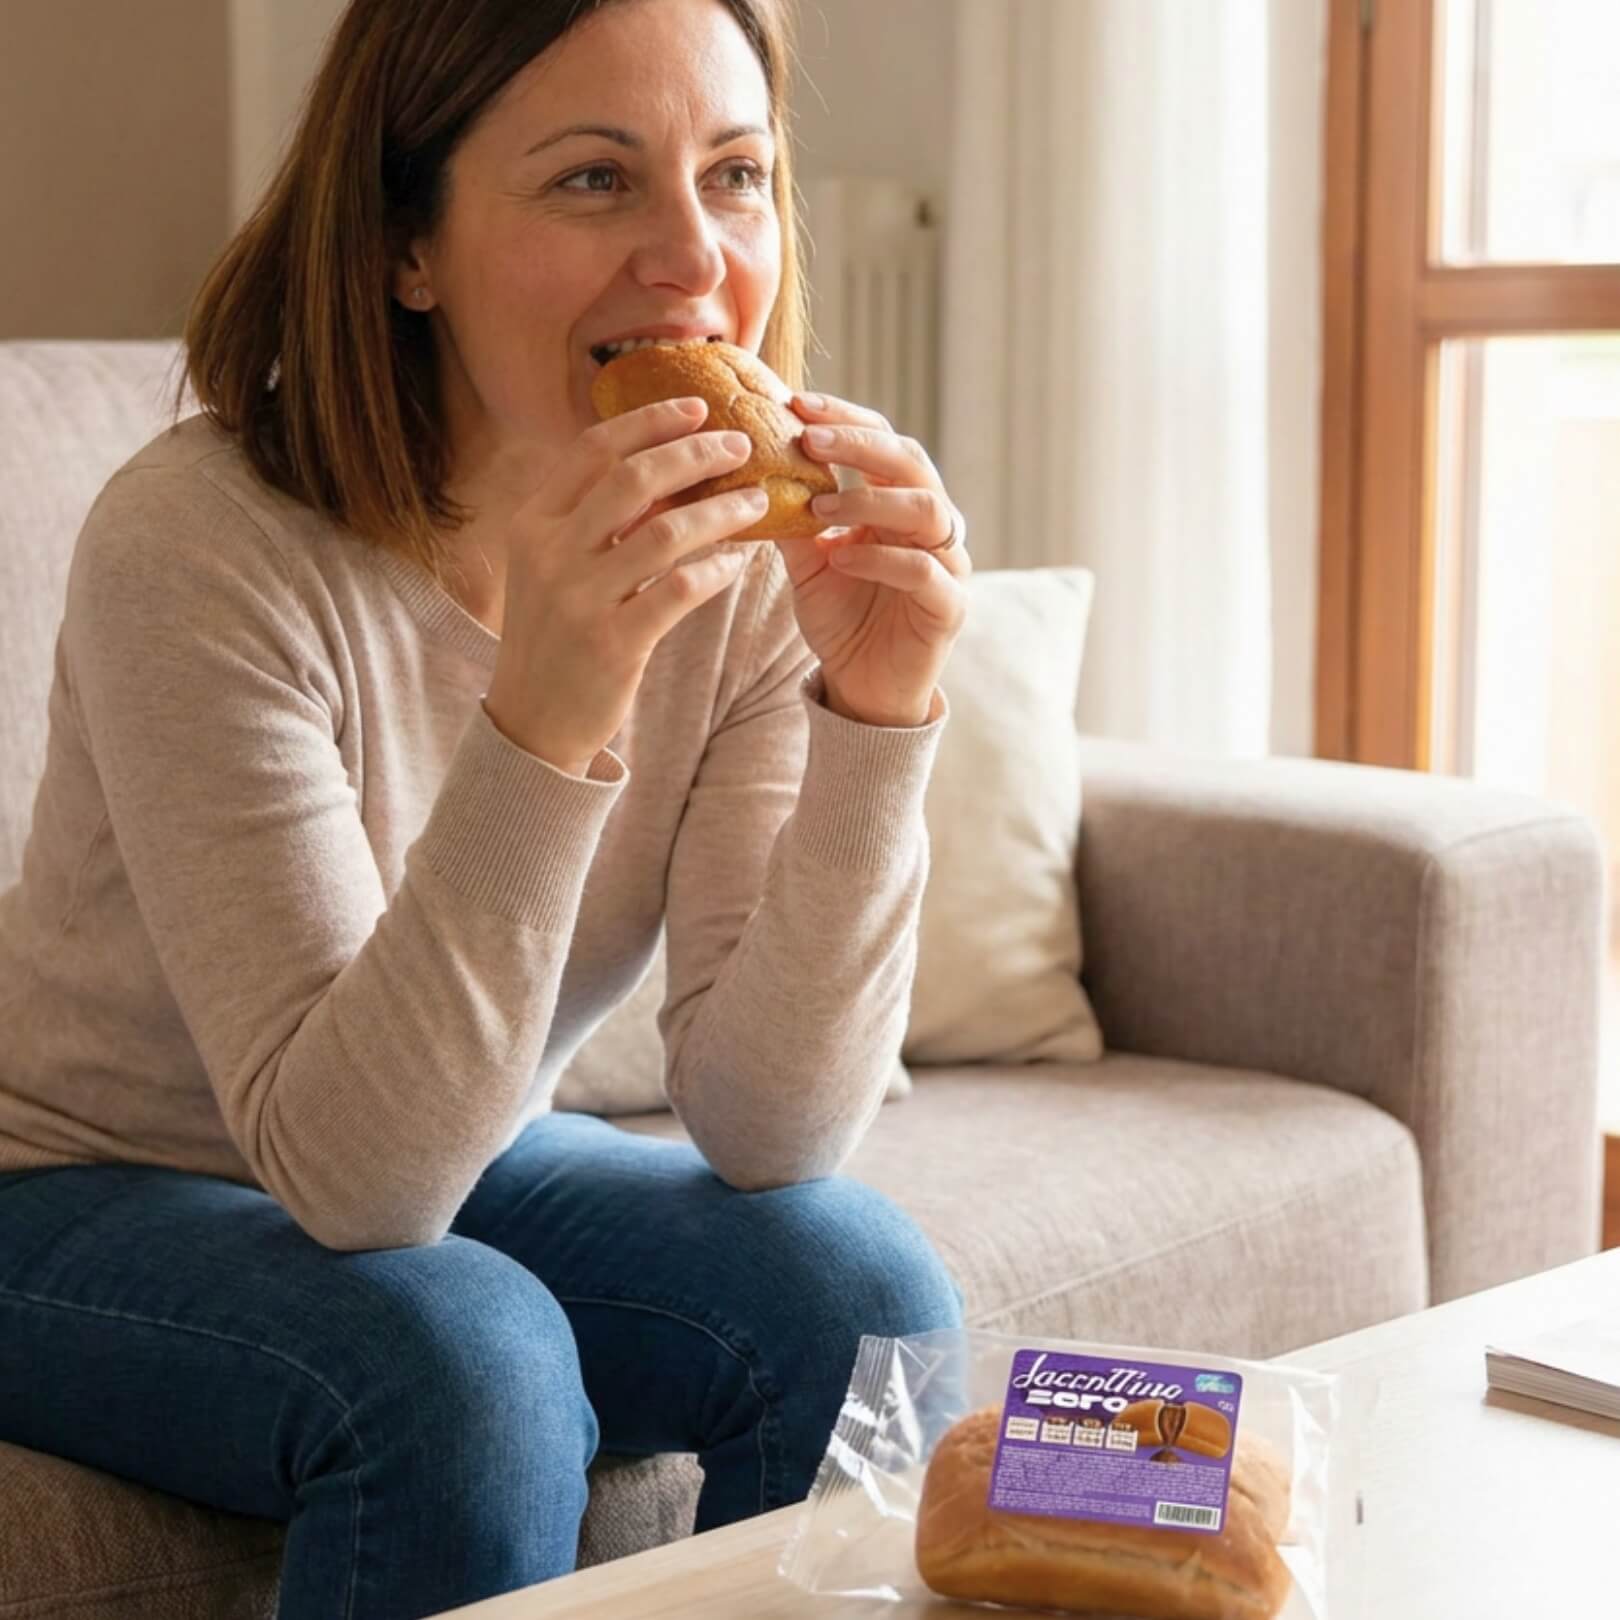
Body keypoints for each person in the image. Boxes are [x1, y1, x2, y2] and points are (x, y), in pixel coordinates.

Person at [0, 0, 975, 1615]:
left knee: (863, 1290)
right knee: (466, 1364)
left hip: (454, 1138)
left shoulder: (743, 564)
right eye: (596, 180)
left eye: (735, 175)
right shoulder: (199, 546)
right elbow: (357, 1183)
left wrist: (879, 712)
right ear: (408, 248)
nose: (693, 256)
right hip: (66, 1182)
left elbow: (775, 1131)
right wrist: (551, 713)